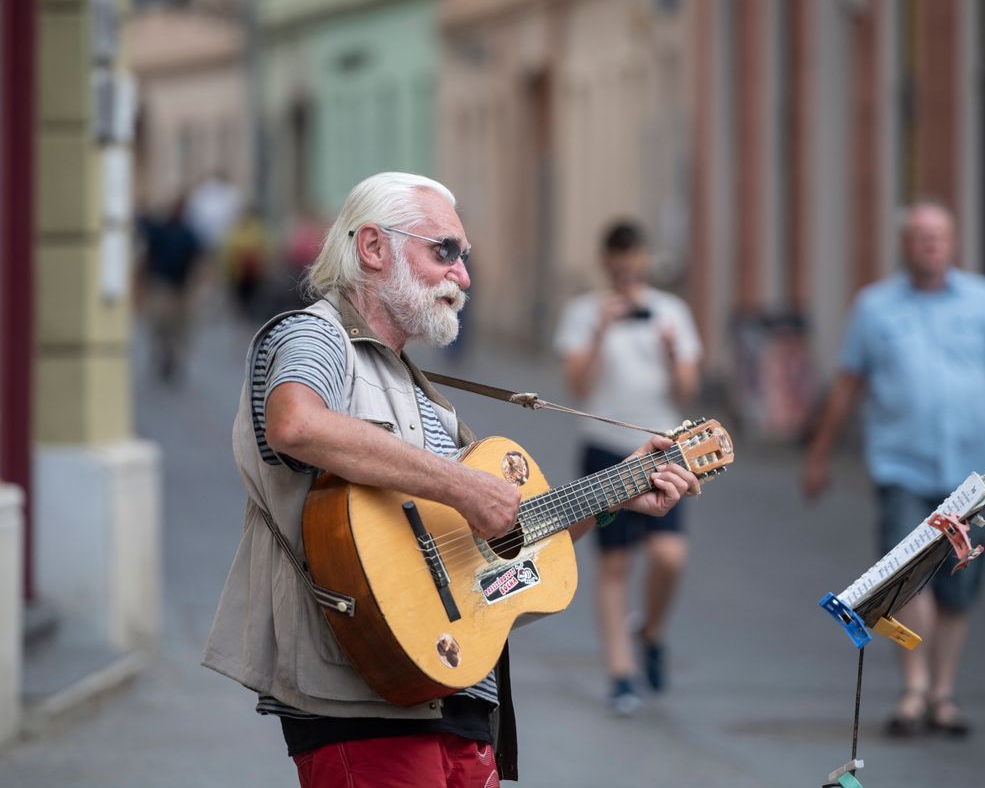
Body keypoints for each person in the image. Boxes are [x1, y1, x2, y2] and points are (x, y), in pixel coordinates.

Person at [202, 173, 700, 787]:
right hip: (360, 694)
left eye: (464, 258)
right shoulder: (313, 336)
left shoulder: (426, 399)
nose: (462, 277)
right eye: (445, 252)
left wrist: (616, 493)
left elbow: (499, 546)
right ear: (373, 248)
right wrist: (465, 488)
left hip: (455, 690)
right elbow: (297, 424)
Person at [802, 200, 985, 738]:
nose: (929, 244)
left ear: (952, 244)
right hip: (901, 468)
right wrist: (819, 454)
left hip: (974, 479)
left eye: (938, 236)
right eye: (919, 236)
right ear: (904, 245)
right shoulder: (875, 307)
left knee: (959, 585)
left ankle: (943, 694)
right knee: (907, 578)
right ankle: (913, 688)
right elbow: (847, 384)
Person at [553, 220, 702, 715]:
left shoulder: (672, 311)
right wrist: (600, 331)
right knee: (614, 565)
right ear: (606, 264)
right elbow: (577, 386)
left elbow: (687, 391)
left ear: (644, 262)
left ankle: (652, 631)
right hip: (605, 446)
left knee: (670, 556)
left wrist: (670, 349)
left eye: (634, 266)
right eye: (618, 268)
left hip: (662, 446)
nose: (627, 276)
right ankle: (620, 673)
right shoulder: (583, 313)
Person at [138, 195, 204, 382]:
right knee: (160, 324)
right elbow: (149, 257)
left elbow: (198, 260)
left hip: (180, 288)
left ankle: (173, 358)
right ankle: (163, 355)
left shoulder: (189, 233)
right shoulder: (162, 230)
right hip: (163, 285)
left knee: (179, 328)